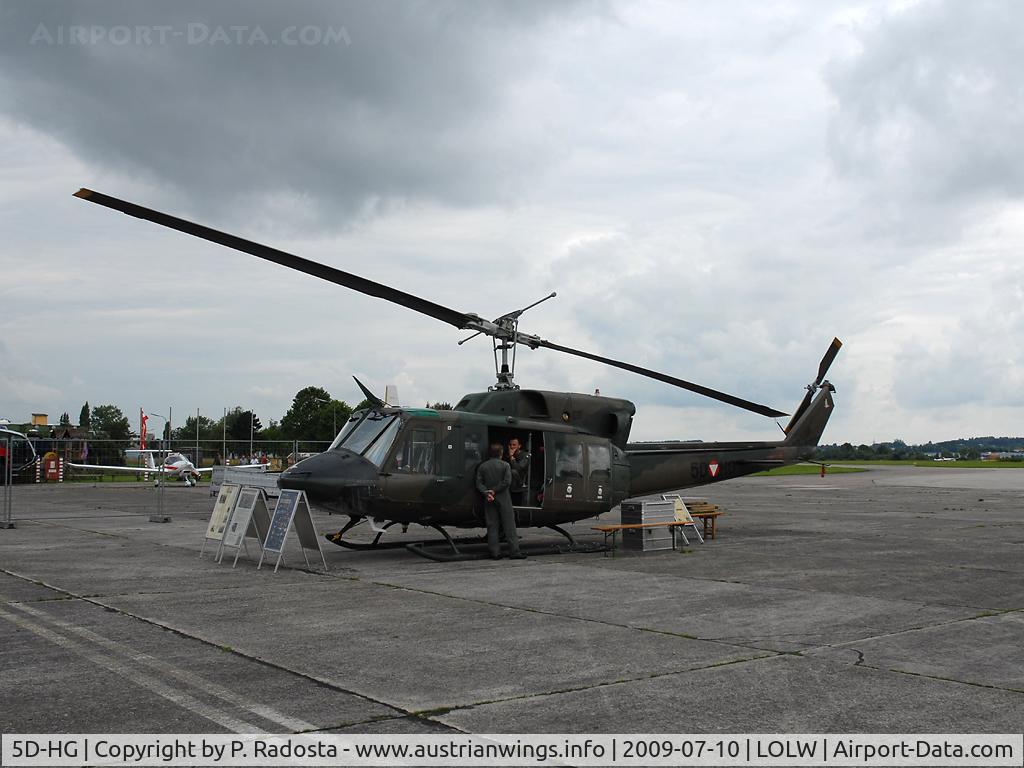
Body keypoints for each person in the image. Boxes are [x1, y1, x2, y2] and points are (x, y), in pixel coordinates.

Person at [475, 442, 524, 559]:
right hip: (503, 497)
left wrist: (487, 492)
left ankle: (495, 552)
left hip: (489, 499)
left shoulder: (483, 466)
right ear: (501, 453)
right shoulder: (505, 465)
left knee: (492, 525)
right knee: (509, 525)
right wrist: (495, 491)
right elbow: (507, 482)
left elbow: (478, 483)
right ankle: (514, 551)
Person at [506, 436, 530, 506]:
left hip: (519, 486)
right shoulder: (506, 454)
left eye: (514, 445)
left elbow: (518, 468)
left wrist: (511, 457)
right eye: (510, 445)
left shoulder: (525, 455)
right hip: (508, 486)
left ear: (519, 446)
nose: (512, 447)